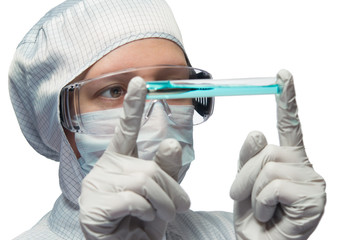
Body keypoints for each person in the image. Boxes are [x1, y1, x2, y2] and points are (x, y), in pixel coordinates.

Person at [8, 0, 326, 239]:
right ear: (60, 125)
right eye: (116, 90)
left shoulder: (233, 233)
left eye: (174, 87)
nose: (158, 120)